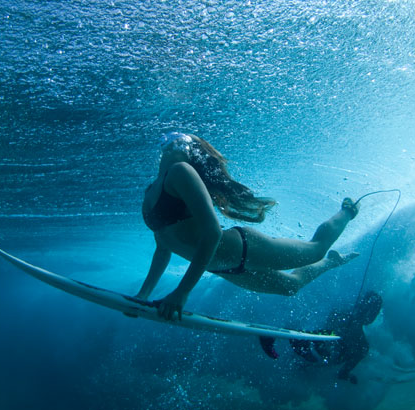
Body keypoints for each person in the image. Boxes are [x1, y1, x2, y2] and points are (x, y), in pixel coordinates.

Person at [136, 131, 361, 320]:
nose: (167, 143)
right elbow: (163, 248)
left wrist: (182, 292)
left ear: (186, 150)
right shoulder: (150, 192)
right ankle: (331, 262)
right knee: (291, 287)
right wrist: (143, 294)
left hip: (243, 248)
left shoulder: (180, 171)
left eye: (174, 140)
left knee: (316, 249)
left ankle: (347, 212)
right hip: (222, 268)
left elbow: (213, 232)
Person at [284, 291, 384, 383]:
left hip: (308, 363)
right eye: (374, 311)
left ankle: (295, 337)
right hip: (309, 357)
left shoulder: (361, 343)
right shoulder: (361, 344)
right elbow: (342, 373)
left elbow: (341, 373)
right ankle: (294, 337)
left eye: (375, 312)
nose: (374, 315)